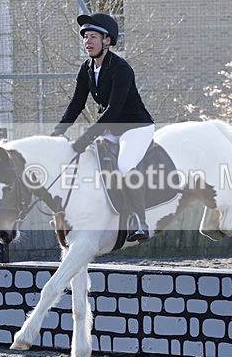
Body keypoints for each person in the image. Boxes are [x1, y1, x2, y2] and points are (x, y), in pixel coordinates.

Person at [51, 13, 154, 242]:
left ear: (107, 41)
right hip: (112, 128)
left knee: (125, 165)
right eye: (85, 37)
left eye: (93, 36)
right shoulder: (87, 68)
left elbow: (114, 110)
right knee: (91, 162)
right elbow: (76, 103)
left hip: (135, 127)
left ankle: (140, 221)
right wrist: (58, 131)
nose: (87, 41)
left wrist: (85, 137)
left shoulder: (121, 68)